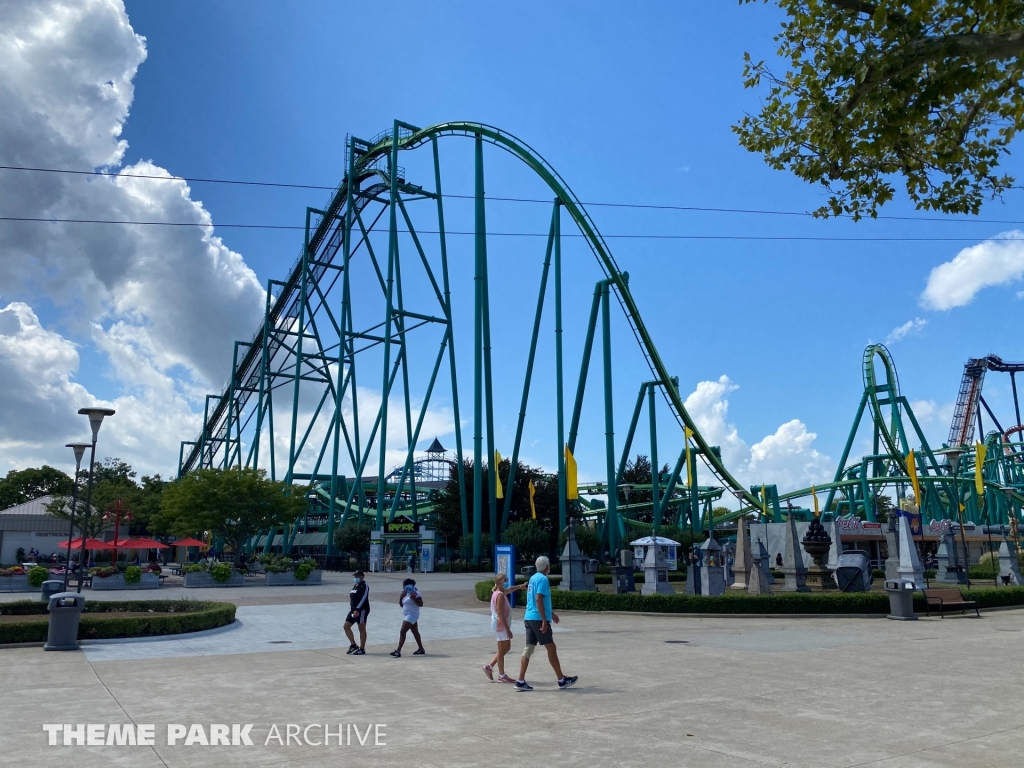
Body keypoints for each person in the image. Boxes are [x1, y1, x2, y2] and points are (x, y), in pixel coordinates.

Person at [515, 556, 577, 692]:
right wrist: (544, 620)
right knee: (551, 648)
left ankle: (520, 680)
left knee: (529, 648)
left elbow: (535, 599)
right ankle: (561, 680)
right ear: (547, 567)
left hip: (529, 617)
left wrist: (551, 613)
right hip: (538, 618)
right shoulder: (543, 579)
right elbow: (539, 599)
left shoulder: (533, 578)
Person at [484, 572, 526, 683]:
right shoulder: (500, 596)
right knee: (503, 649)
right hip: (501, 625)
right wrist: (508, 630)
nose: (507, 581)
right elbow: (500, 613)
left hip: (499, 625)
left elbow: (510, 589)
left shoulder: (499, 592)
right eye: (505, 580)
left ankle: (491, 667)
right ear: (499, 582)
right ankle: (499, 674)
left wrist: (520, 586)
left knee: (504, 649)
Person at [390, 578, 425, 657]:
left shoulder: (416, 592)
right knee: (415, 632)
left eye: (404, 585)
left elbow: (421, 604)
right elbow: (401, 605)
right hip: (407, 614)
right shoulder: (405, 593)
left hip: (412, 614)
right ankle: (421, 649)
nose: (403, 587)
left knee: (403, 631)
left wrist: (414, 599)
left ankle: (398, 651)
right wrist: (401, 598)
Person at [344, 570, 370, 655]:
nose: (356, 578)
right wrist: (353, 609)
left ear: (362, 576)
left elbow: (363, 598)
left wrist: (357, 609)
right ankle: (353, 644)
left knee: (361, 628)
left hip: (362, 610)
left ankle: (362, 648)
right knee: (346, 626)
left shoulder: (364, 586)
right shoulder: (355, 585)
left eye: (358, 576)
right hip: (353, 610)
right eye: (355, 576)